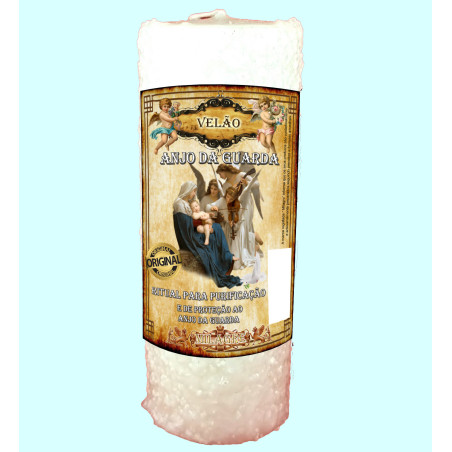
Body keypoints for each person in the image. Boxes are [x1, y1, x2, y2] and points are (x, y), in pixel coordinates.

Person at [173, 182, 241, 289]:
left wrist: (207, 219)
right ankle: (226, 256)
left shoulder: (187, 202)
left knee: (217, 227)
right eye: (193, 191)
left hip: (195, 229)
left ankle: (227, 255)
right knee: (216, 228)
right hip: (191, 236)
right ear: (187, 190)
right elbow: (186, 225)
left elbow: (193, 219)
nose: (194, 194)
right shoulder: (179, 204)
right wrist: (204, 222)